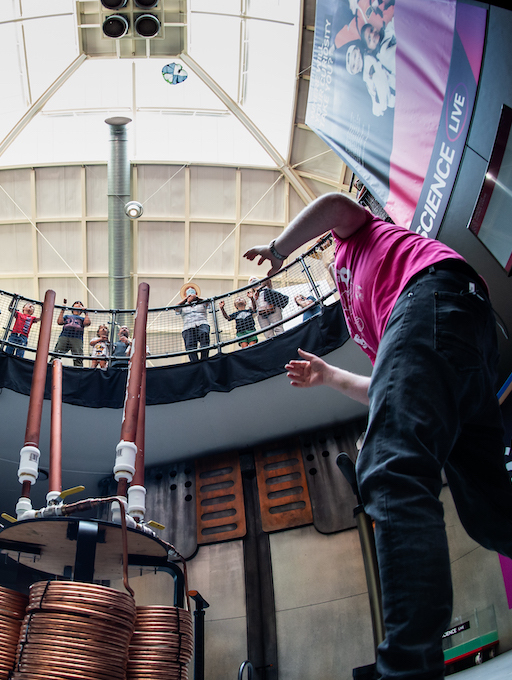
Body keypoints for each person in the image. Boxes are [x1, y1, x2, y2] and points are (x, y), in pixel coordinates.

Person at [244, 192, 512, 680]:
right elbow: (391, 388)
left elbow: (333, 204)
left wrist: (279, 250)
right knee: (491, 516)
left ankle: (406, 670)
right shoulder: (363, 316)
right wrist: (328, 377)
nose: (330, 264)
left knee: (389, 473)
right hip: (461, 335)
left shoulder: (359, 240)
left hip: (432, 293)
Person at [176, 283, 211, 362]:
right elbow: (176, 308)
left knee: (204, 335)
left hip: (202, 323)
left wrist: (196, 298)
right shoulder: (183, 305)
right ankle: (194, 362)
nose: (190, 290)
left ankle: (204, 359)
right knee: (190, 345)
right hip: (188, 326)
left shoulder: (202, 301)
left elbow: (208, 302)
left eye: (192, 289)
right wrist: (186, 300)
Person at [53, 300, 91, 367]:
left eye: (80, 304)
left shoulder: (82, 318)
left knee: (78, 356)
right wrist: (62, 310)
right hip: (65, 336)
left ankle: (78, 371)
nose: (78, 304)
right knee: (57, 353)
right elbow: (59, 322)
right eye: (76, 303)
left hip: (77, 338)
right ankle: (52, 367)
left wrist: (86, 313)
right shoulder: (67, 316)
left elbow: (87, 323)